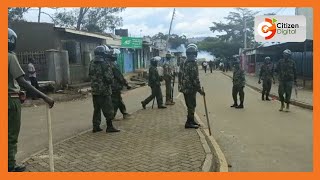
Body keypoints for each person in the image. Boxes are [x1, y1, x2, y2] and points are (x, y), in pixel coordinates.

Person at [8, 28, 54, 172]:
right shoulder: (9, 56)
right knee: (10, 135)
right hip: (9, 102)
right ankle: (9, 164)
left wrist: (18, 92)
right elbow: (22, 81)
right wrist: (44, 96)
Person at [89, 45, 120, 133]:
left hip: (95, 91)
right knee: (108, 109)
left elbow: (89, 75)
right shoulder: (105, 63)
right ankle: (109, 127)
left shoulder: (91, 62)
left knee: (97, 109)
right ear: (103, 54)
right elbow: (109, 78)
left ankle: (96, 126)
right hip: (104, 91)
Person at [180, 44, 205, 129]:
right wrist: (200, 90)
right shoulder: (193, 63)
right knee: (191, 105)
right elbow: (195, 79)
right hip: (190, 88)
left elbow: (180, 75)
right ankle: (189, 122)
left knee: (189, 105)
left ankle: (191, 120)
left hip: (184, 88)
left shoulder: (184, 62)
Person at [108, 47, 132, 120]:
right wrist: (126, 84)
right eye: (115, 55)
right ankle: (112, 116)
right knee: (116, 101)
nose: (116, 57)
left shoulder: (108, 63)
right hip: (115, 86)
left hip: (111, 86)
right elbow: (119, 76)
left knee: (118, 100)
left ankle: (124, 113)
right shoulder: (113, 65)